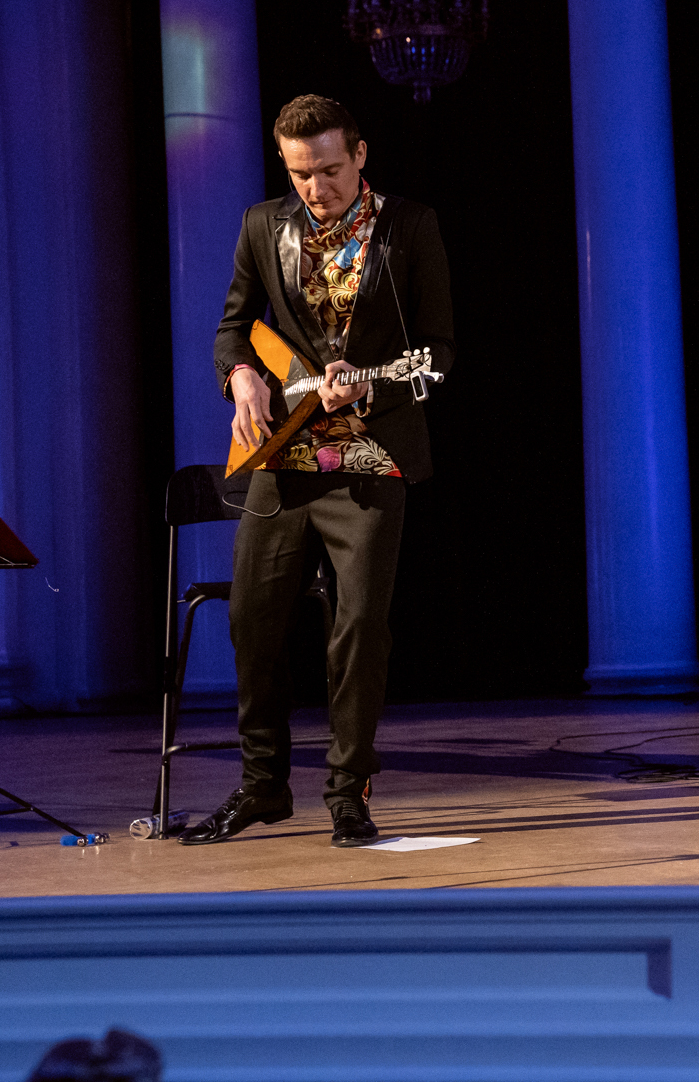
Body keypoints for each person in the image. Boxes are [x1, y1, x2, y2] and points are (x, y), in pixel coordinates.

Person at [182, 95, 453, 848]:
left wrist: (369, 385)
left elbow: (439, 351)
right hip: (283, 454)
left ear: (360, 155)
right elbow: (233, 327)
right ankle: (263, 787)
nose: (316, 187)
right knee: (251, 619)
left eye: (329, 170)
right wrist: (240, 376)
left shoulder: (410, 227)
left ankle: (347, 793)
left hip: (371, 456)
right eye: (300, 173)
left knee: (358, 626)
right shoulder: (261, 224)